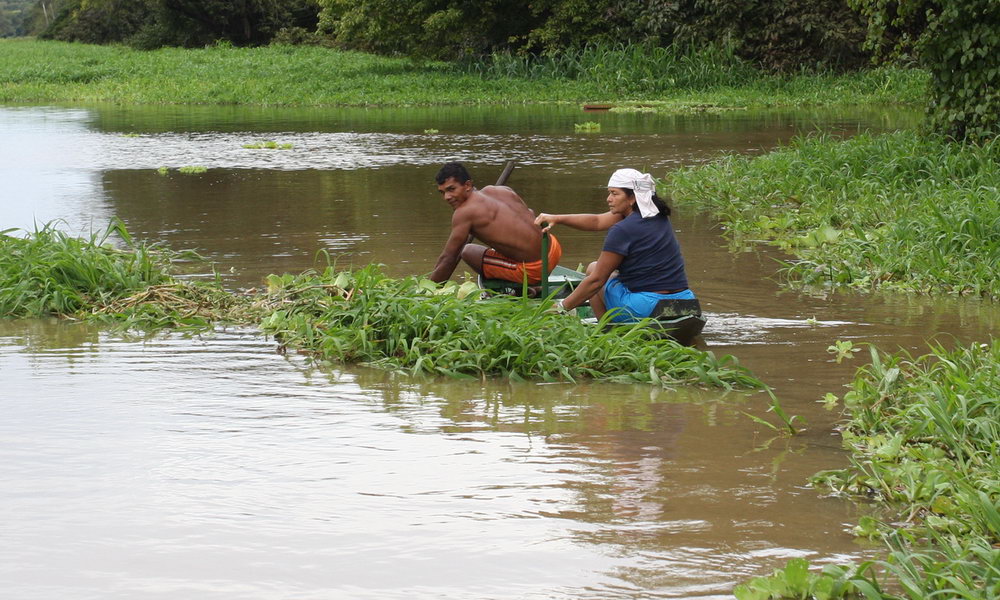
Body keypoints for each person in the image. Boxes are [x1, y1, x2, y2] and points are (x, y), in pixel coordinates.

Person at [534, 168, 695, 322]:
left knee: (593, 274)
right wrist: (557, 218)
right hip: (687, 300)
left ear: (632, 198)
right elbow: (596, 221)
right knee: (594, 268)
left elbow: (597, 281)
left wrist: (561, 307)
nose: (608, 199)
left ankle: (607, 330)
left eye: (614, 193)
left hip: (647, 306)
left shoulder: (622, 229)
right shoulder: (658, 216)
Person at [429, 162, 561, 284]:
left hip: (535, 269)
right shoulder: (500, 190)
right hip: (553, 248)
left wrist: (428, 292)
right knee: (499, 245)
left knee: (467, 251)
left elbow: (448, 258)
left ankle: (522, 288)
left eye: (451, 189)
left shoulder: (463, 213)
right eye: (442, 192)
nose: (446, 197)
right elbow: (530, 213)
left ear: (467, 185)